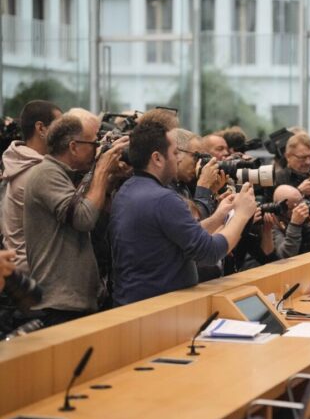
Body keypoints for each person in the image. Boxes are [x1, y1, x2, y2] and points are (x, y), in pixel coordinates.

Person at [109, 119, 260, 305]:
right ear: (157, 158)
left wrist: (218, 217)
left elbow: (178, 237)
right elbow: (209, 252)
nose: (178, 159)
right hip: (158, 310)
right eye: (174, 153)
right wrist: (241, 215)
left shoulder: (127, 189)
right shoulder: (163, 199)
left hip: (135, 304)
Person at [24, 114, 124, 326]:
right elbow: (83, 219)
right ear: (73, 146)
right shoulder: (45, 174)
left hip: (73, 300)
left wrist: (111, 179)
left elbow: (94, 214)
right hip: (58, 304)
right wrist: (101, 170)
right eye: (93, 143)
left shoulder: (63, 174)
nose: (96, 150)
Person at [1, 100, 62, 273]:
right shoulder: (39, 172)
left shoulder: (18, 161)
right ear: (41, 128)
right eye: (59, 127)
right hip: (34, 273)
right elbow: (81, 216)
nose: (65, 135)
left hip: (18, 265)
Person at [174, 128, 226, 219]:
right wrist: (204, 186)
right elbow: (193, 224)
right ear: (176, 153)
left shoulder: (181, 184)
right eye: (196, 156)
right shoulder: (164, 187)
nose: (198, 163)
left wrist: (212, 195)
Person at [271, 185, 310, 259]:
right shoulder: (273, 223)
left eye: (301, 201)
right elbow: (285, 255)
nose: (302, 206)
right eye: (295, 206)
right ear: (281, 208)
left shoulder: (305, 215)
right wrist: (295, 224)